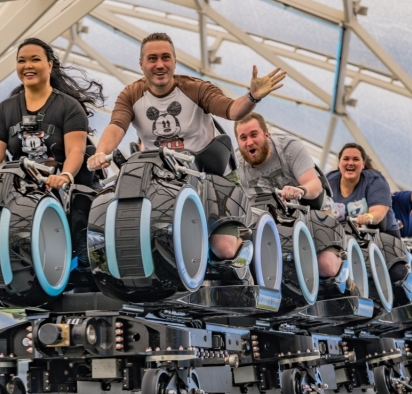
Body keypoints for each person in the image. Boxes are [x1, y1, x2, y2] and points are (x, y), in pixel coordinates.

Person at [87, 32, 286, 260]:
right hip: (163, 182)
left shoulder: (195, 88)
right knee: (151, 238)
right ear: (141, 64)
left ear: (174, 61)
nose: (159, 65)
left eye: (165, 58)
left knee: (224, 248)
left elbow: (231, 110)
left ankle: (247, 244)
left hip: (212, 176)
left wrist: (252, 97)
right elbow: (117, 126)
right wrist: (102, 151)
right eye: (152, 59)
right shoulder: (131, 95)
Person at [0, 38, 105, 272]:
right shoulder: (5, 110)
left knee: (81, 235)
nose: (27, 65)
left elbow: (76, 150)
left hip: (72, 184)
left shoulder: (69, 107)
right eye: (21, 61)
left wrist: (66, 176)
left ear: (50, 65)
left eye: (35, 60)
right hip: (26, 185)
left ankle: (84, 269)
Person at [232, 112, 342, 278]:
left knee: (326, 266)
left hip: (311, 211)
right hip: (273, 221)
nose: (250, 142)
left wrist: (300, 190)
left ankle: (345, 276)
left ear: (266, 134)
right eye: (243, 138)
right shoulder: (236, 165)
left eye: (254, 135)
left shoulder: (289, 148)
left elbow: (314, 185)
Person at [325, 142, 400, 239]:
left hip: (384, 237)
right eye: (346, 159)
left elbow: (378, 212)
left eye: (356, 159)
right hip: (343, 236)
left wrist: (368, 217)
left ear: (363, 164)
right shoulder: (328, 181)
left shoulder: (375, 180)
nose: (350, 163)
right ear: (339, 163)